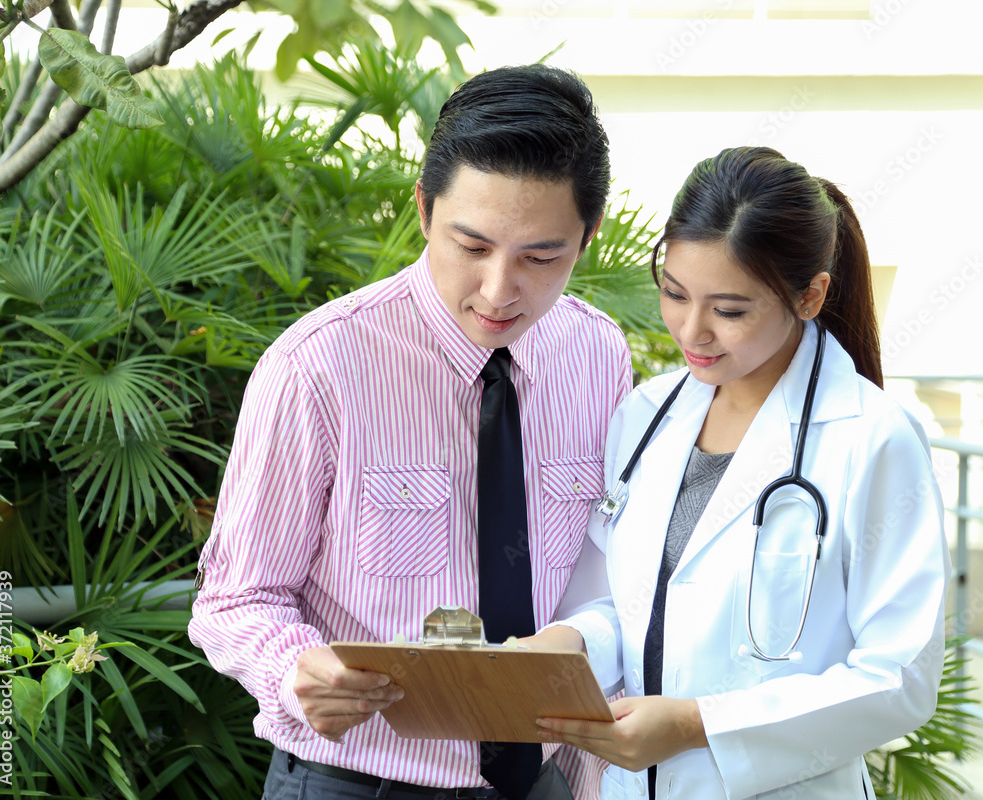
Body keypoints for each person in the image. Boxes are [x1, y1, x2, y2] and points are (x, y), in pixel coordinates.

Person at [188, 63, 632, 800]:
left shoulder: (600, 354)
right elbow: (235, 597)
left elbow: (604, 571)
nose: (498, 290)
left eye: (540, 258)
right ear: (425, 209)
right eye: (472, 246)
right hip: (357, 781)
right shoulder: (318, 366)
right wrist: (294, 669)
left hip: (547, 778)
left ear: (586, 237)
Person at [529, 146, 952, 799]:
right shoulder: (645, 416)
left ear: (810, 296)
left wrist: (701, 725)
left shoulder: (873, 438)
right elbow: (633, 601)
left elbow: (898, 677)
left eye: (728, 310)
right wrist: (570, 643)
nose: (691, 331)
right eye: (673, 293)